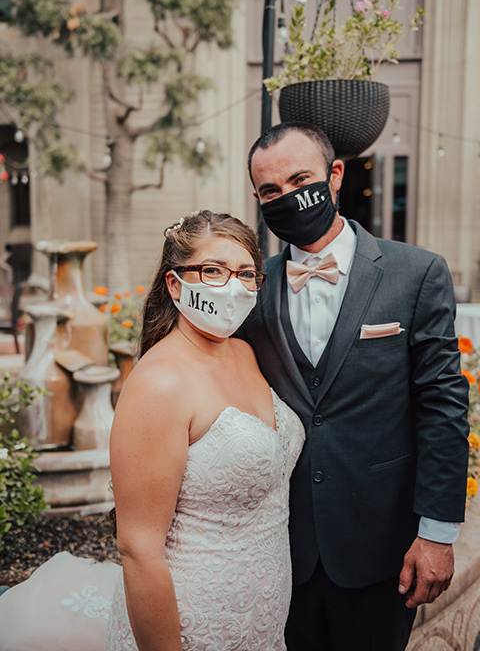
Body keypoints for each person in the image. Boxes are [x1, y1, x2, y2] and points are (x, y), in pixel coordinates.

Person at [0, 210, 305, 651]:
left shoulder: (246, 352)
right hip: (190, 625)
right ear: (176, 284)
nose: (233, 287)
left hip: (263, 621)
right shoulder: (159, 382)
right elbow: (139, 550)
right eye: (213, 271)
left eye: (245, 274)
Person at [239, 121, 470, 651]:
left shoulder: (416, 273)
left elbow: (442, 407)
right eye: (270, 191)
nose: (287, 198)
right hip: (280, 550)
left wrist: (437, 534)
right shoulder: (253, 286)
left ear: (335, 175)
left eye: (300, 180)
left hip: (383, 546)